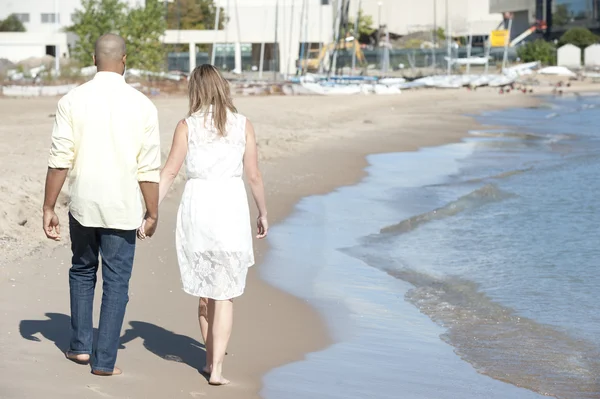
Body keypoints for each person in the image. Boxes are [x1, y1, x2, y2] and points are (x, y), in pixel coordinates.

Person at [139, 64, 268, 386]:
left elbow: (168, 172)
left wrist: (149, 211)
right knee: (224, 294)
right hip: (230, 208)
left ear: (195, 91)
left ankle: (211, 363)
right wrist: (262, 212)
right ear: (223, 87)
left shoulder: (187, 126)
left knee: (205, 294)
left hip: (198, 208)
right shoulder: (243, 125)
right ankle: (217, 368)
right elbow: (253, 175)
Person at [42, 33, 161, 376]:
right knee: (116, 282)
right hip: (122, 207)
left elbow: (60, 159)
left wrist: (48, 207)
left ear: (95, 60)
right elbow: (147, 168)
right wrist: (152, 212)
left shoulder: (72, 100)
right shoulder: (143, 106)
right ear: (125, 60)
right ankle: (105, 360)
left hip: (83, 204)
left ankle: (80, 347)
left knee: (82, 271)